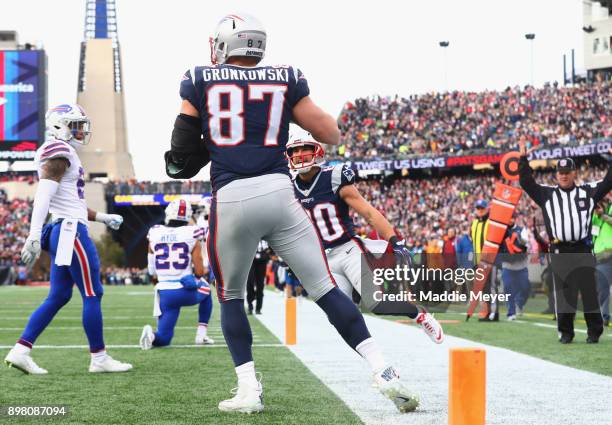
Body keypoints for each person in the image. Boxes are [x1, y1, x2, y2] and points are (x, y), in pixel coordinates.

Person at [168, 13, 419, 413]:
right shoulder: (285, 77)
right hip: (279, 194)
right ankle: (384, 369)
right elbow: (330, 133)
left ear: (223, 45)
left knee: (230, 295)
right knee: (326, 290)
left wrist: (211, 144)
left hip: (231, 198)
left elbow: (180, 156)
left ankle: (249, 388)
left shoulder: (199, 78)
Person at [5, 104, 132, 374]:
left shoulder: (65, 153)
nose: (80, 129)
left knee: (59, 295)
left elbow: (69, 200)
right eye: (74, 124)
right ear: (59, 125)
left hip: (65, 226)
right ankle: (99, 358)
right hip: (69, 231)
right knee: (92, 293)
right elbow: (44, 194)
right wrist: (33, 234)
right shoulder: (58, 151)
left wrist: (103, 217)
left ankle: (20, 350)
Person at [286, 133, 444, 344]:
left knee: (378, 304)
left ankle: (419, 314)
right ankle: (377, 363)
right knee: (338, 316)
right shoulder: (287, 187)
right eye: (294, 150)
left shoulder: (333, 177)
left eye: (303, 148)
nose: (299, 154)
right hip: (322, 260)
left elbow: (368, 213)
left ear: (316, 150)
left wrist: (394, 240)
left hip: (348, 250)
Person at [518, 139, 611, 343]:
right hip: (559, 249)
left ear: (574, 173)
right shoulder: (547, 194)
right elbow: (526, 182)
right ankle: (566, 333)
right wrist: (523, 159)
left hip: (583, 248)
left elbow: (608, 182)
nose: (564, 175)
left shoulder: (587, 192)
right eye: (560, 173)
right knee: (564, 293)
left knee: (589, 292)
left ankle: (594, 332)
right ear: (556, 174)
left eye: (567, 172)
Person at [139, 199, 214, 349]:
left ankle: (151, 336)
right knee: (207, 291)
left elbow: (152, 270)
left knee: (164, 338)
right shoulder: (192, 232)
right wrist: (196, 277)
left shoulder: (155, 231)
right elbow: (199, 271)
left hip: (165, 294)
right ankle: (201, 335)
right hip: (185, 289)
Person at [470, 199, 499, 321]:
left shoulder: (491, 222)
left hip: (490, 260)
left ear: (487, 209)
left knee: (492, 287)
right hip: (479, 261)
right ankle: (486, 312)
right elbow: (474, 243)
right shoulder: (474, 223)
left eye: (482, 208)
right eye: (478, 208)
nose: (480, 211)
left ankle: (494, 313)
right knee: (483, 288)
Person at [499, 214, 530, 320]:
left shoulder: (521, 230)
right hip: (507, 265)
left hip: (521, 264)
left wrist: (519, 237)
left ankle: (519, 303)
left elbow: (526, 243)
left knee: (525, 287)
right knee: (508, 288)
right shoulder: (501, 231)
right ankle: (511, 312)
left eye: (511, 218)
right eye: (508, 217)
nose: (509, 220)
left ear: (515, 219)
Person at [592, 198, 612, 327]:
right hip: (601, 258)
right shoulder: (594, 217)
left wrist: (603, 215)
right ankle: (604, 316)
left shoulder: (607, 212)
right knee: (603, 289)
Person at [247, 240, 271, 314]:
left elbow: (271, 246)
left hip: (262, 261)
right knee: (250, 282)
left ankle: (258, 308)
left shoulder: (265, 233)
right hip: (251, 260)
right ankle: (250, 305)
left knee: (260, 285)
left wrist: (268, 252)